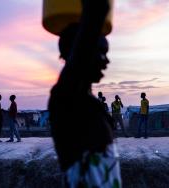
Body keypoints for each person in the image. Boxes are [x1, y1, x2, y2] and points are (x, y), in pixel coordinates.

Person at [47, 1, 121, 187]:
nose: (107, 61)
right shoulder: (64, 98)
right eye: (101, 52)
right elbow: (96, 11)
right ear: (80, 52)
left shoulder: (89, 103)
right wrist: (95, 13)